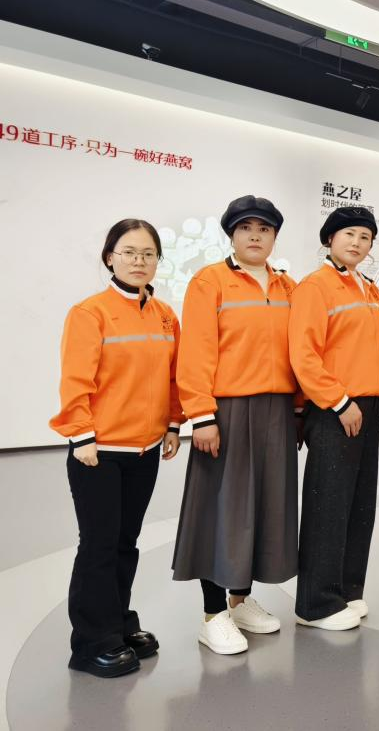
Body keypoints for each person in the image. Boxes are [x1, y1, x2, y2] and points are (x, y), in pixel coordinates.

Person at [50, 219, 182, 677]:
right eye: (129, 252)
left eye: (148, 254)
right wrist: (81, 435)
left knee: (126, 542)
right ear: (110, 257)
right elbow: (75, 379)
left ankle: (119, 623)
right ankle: (91, 642)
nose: (138, 261)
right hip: (100, 451)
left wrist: (173, 423)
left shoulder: (165, 315)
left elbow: (173, 377)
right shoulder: (90, 313)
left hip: (145, 450)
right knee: (99, 545)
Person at [172, 195, 301, 654]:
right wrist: (201, 416)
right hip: (226, 410)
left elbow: (301, 349)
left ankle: (240, 600)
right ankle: (213, 615)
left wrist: (299, 408)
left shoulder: (288, 286)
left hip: (278, 411)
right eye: (246, 228)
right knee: (220, 511)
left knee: (263, 507)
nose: (255, 236)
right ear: (231, 234)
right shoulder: (210, 282)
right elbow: (196, 352)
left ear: (274, 237)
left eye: (264, 229)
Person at [289, 207, 379, 630]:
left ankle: (348, 591)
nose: (357, 242)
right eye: (349, 234)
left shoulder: (367, 287)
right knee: (328, 504)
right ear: (329, 239)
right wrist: (338, 401)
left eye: (365, 237)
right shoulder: (316, 286)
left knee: (359, 503)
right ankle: (315, 605)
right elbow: (303, 354)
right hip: (336, 407)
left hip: (369, 404)